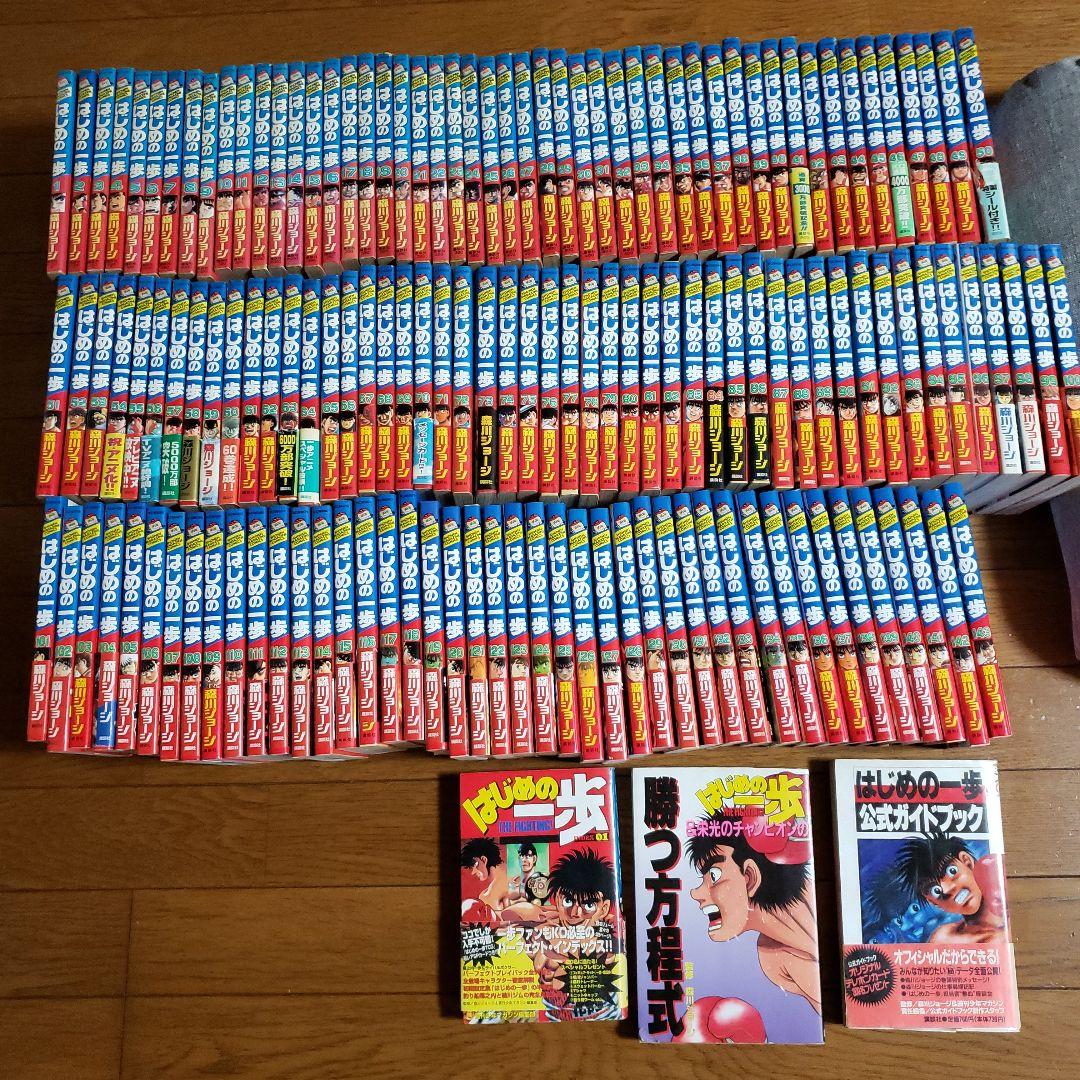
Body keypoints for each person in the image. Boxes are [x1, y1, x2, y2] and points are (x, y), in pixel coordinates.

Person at [688, 809, 820, 1013]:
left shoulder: (812, 895)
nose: (695, 893)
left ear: (750, 876)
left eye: (713, 876)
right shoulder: (774, 959)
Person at [884, 835, 1007, 944]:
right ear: (933, 902)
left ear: (967, 861)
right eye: (935, 890)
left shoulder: (1005, 933)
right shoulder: (942, 938)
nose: (947, 890)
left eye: (952, 871)